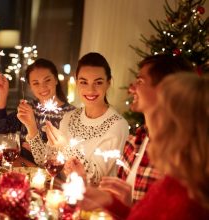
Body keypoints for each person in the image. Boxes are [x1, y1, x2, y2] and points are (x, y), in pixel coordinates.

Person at [81, 73, 209, 219]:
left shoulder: (185, 202)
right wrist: (111, 203)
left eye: (158, 111)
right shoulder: (176, 180)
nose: (151, 120)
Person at [99, 54, 194, 207]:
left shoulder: (182, 158)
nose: (131, 88)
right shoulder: (133, 142)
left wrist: (128, 208)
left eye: (140, 81)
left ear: (165, 90)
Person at [28, 52, 129, 185]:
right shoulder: (70, 117)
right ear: (76, 82)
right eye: (84, 82)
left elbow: (95, 178)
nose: (90, 89)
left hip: (90, 202)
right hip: (62, 193)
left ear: (108, 83)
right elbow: (44, 160)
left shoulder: (117, 125)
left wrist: (65, 147)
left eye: (98, 82)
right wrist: (31, 126)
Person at [0, 58, 75, 162]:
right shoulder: (29, 108)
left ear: (56, 80)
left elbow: (69, 155)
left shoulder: (72, 114)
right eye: (36, 83)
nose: (43, 87)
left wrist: (37, 149)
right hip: (24, 168)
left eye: (47, 80)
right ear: (30, 86)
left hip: (52, 174)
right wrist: (3, 93)